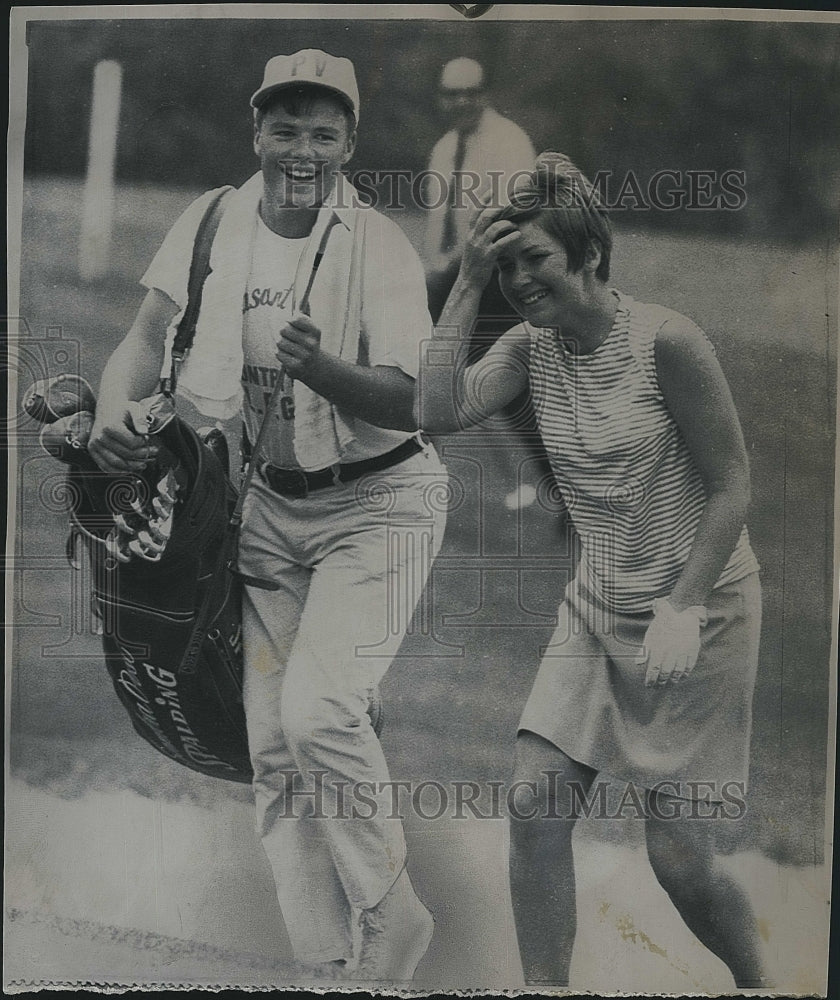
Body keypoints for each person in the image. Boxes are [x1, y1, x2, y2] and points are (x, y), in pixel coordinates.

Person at [88, 49, 446, 983]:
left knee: (322, 710)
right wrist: (121, 409)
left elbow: (413, 400)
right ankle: (326, 968)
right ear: (256, 133)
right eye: (283, 128)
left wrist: (321, 368)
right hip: (267, 510)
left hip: (383, 505)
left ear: (349, 144)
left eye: (322, 132)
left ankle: (394, 913)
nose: (300, 149)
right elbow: (142, 339)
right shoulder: (211, 217)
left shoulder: (383, 248)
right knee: (275, 752)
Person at [415, 152, 773, 989]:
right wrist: (465, 285)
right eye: (507, 266)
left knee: (679, 862)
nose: (519, 280)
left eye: (533, 260)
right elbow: (435, 412)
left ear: (589, 255)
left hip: (702, 613)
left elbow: (734, 486)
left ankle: (765, 982)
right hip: (596, 608)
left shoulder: (667, 341)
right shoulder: (525, 348)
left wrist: (683, 607)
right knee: (534, 807)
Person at [423, 57, 549, 511]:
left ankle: (563, 486)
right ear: (442, 98)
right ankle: (421, 475)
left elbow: (504, 218)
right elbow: (439, 226)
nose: (460, 102)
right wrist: (435, 272)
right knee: (430, 371)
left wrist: (445, 273)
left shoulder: (509, 142)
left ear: (485, 95)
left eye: (469, 92)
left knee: (510, 384)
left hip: (501, 278)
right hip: (458, 279)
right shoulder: (443, 148)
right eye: (451, 93)